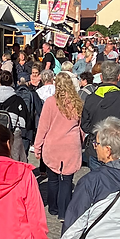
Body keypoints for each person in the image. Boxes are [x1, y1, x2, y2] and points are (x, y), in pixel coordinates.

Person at [33, 71, 83, 218]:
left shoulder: (50, 102)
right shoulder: (77, 103)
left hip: (53, 145)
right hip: (71, 145)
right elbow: (80, 126)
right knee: (67, 180)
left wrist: (38, 146)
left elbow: (43, 127)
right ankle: (64, 211)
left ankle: (53, 207)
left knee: (53, 179)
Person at [80, 60, 120, 171]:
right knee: (116, 184)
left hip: (97, 147)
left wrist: (97, 133)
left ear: (101, 77)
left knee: (98, 182)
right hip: (118, 149)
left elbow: (84, 125)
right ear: (119, 77)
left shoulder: (91, 98)